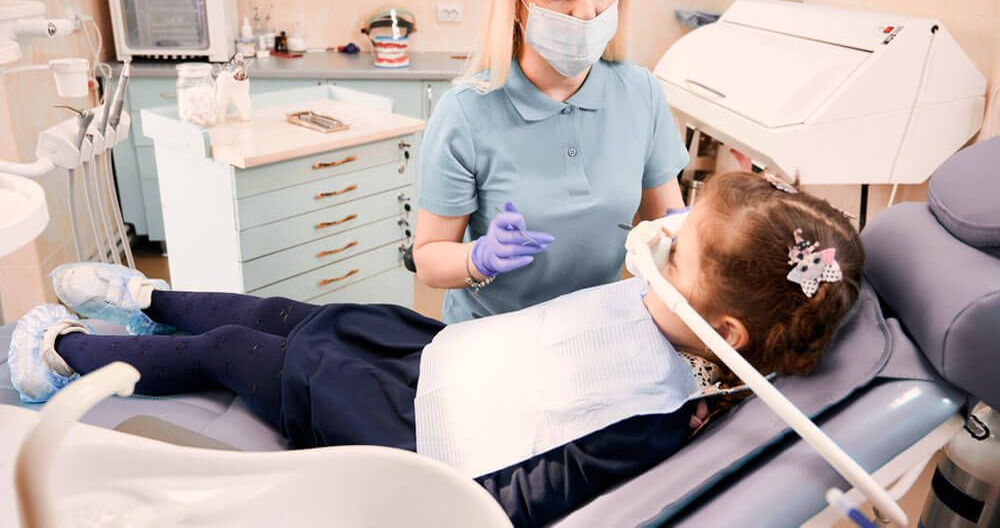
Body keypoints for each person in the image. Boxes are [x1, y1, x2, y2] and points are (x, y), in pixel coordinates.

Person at [9, 172, 862, 527]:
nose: (658, 241)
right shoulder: (684, 309)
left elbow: (534, 491)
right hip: (431, 356)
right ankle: (149, 298)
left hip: (409, 427)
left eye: (677, 249)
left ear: (729, 334)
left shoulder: (655, 411)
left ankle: (67, 351)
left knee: (236, 348)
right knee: (276, 310)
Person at [414, 0, 689, 323]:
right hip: (491, 336)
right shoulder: (466, 111)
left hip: (595, 329)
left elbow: (668, 226)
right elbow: (428, 258)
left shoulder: (642, 94)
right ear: (517, 0)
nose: (586, 12)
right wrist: (477, 258)